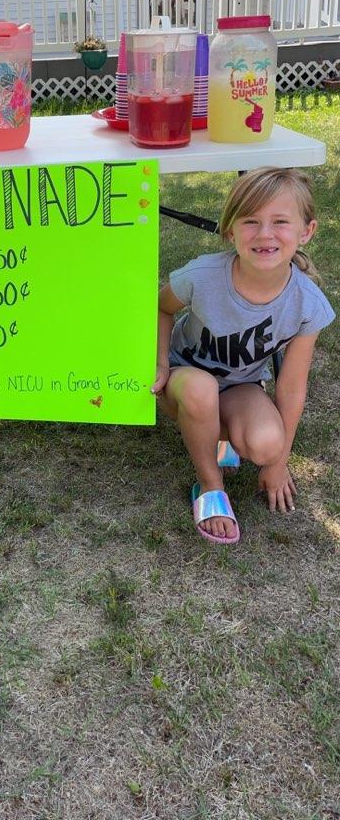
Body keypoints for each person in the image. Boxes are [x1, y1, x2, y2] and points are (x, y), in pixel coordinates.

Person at [151, 167, 335, 545]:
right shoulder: (201, 276)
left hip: (241, 386)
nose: (265, 234)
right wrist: (160, 363)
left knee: (267, 444)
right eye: (251, 221)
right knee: (201, 389)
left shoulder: (308, 304)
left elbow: (291, 387)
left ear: (306, 232)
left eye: (280, 222)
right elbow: (160, 307)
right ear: (230, 230)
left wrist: (280, 462)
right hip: (185, 381)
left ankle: (221, 436)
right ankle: (210, 486)